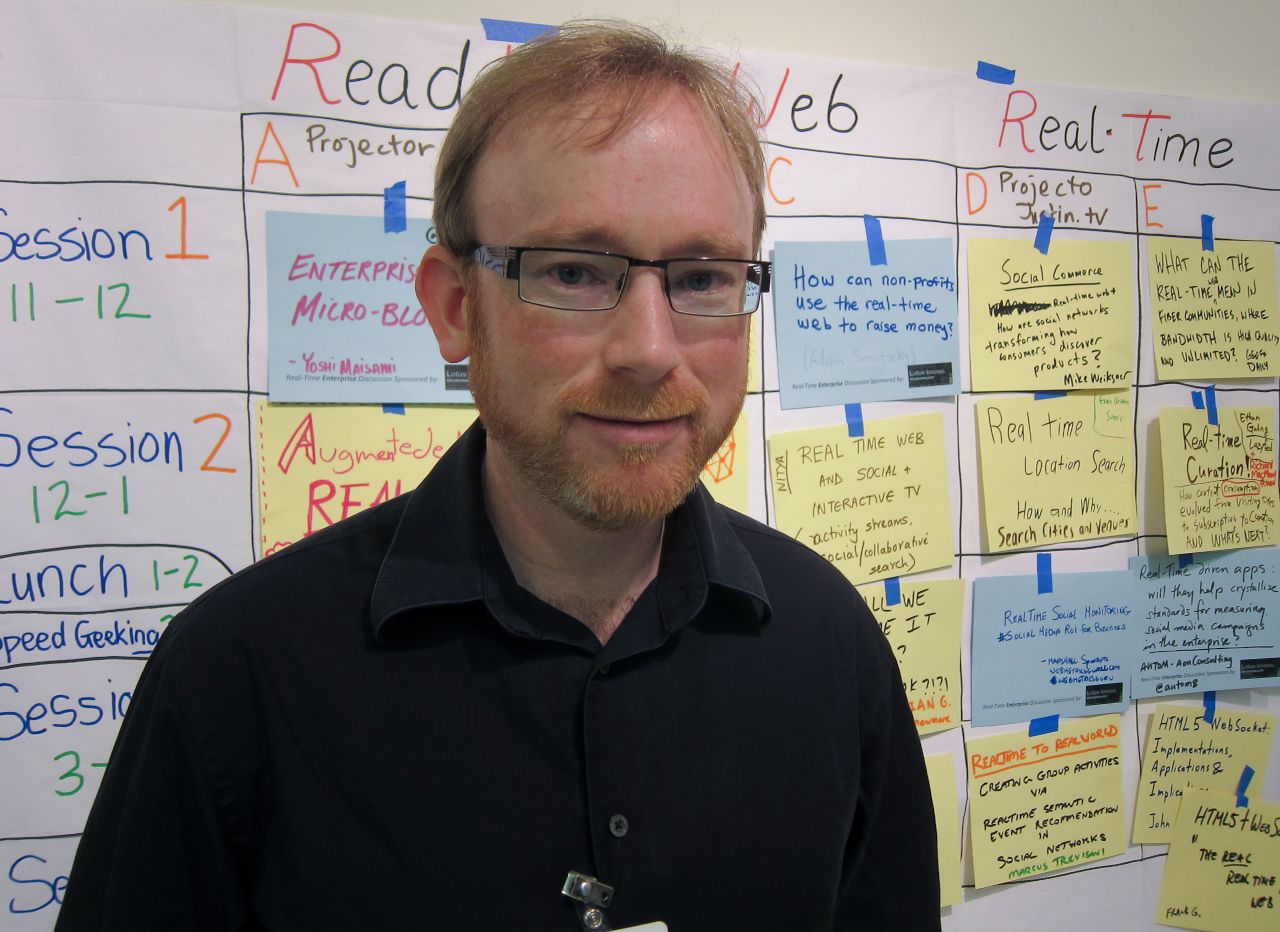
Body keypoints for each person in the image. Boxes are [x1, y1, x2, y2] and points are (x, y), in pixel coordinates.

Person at [57, 21, 938, 931]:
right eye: (573, 271)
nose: (648, 349)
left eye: (704, 277)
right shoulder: (239, 675)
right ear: (454, 308)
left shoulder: (831, 647)